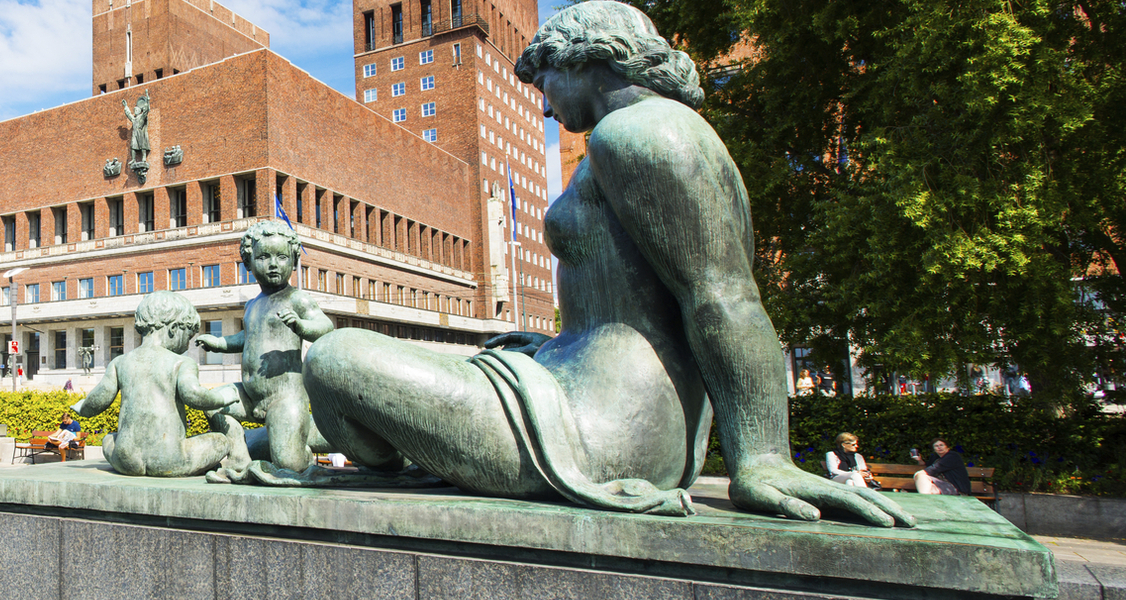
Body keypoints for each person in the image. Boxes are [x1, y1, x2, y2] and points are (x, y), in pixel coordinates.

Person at [285, 1, 912, 526]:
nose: (546, 108)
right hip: (580, 394)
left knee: (339, 357)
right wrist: (550, 343)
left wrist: (763, 460)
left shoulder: (641, 133)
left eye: (547, 82)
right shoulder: (646, 133)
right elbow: (647, 304)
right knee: (355, 371)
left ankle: (370, 461)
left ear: (584, 60)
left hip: (601, 430)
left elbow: (724, 296)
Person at [194, 221, 336, 473]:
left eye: (282, 257)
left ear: (293, 261)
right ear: (248, 263)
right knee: (212, 402)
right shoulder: (251, 305)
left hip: (285, 397)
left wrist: (302, 326)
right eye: (263, 257)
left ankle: (308, 440)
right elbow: (245, 337)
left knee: (289, 464)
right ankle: (240, 454)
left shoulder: (297, 298)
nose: (273, 264)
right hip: (249, 396)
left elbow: (324, 326)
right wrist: (218, 343)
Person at [72, 291, 250, 479]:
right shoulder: (181, 363)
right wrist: (222, 397)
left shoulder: (120, 362)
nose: (186, 345)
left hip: (126, 460)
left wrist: (83, 407)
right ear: (174, 329)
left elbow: (99, 398)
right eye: (187, 336)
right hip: (172, 460)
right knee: (221, 441)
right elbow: (194, 395)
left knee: (109, 439)